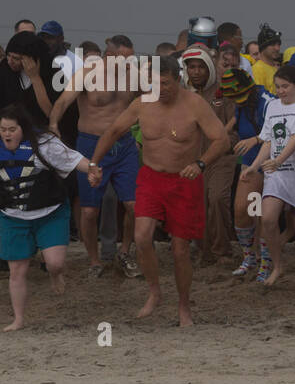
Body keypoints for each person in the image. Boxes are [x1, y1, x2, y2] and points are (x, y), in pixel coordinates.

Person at [90, 56, 230, 326]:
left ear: (178, 80)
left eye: (165, 83)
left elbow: (221, 139)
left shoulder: (195, 104)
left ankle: (184, 305)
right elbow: (113, 131)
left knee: (180, 249)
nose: (160, 88)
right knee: (142, 237)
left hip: (184, 181)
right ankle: (155, 291)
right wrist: (95, 163)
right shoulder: (142, 103)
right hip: (152, 178)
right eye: (154, 83)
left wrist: (201, 164)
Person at [0, 104, 94, 331]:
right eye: (3, 129)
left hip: (49, 212)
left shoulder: (44, 145)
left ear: (23, 128)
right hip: (13, 216)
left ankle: (56, 276)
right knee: (17, 271)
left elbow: (72, 159)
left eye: (12, 129)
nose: (7, 134)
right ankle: (18, 319)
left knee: (54, 263)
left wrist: (92, 168)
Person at [49, 37, 141, 278]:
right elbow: (62, 102)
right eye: (125, 58)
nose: (129, 62)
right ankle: (94, 260)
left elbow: (152, 101)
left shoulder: (133, 75)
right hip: (92, 144)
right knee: (90, 211)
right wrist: (53, 123)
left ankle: (124, 252)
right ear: (109, 57)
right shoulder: (87, 74)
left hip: (124, 144)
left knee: (134, 205)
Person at [240, 65, 295, 288]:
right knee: (267, 219)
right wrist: (254, 166)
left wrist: (278, 161)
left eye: (285, 86)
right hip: (275, 176)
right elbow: (268, 140)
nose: (281, 91)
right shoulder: (273, 106)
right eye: (277, 87)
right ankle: (277, 266)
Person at [183, 44, 237, 264]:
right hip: (196, 156)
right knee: (199, 203)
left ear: (209, 68)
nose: (196, 71)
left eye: (200, 67)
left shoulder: (224, 88)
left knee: (217, 198)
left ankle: (222, 250)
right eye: (191, 67)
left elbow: (235, 119)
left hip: (223, 154)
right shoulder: (184, 94)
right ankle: (205, 251)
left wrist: (220, 137)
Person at [225, 67, 273, 278]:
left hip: (271, 162)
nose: (239, 101)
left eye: (241, 96)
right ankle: (249, 256)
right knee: (242, 209)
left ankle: (265, 261)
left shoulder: (267, 102)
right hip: (250, 160)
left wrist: (255, 139)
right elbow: (236, 123)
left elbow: (278, 131)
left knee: (262, 213)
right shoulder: (240, 104)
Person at [0, 31, 58, 137]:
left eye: (16, 58)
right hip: (8, 132)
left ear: (33, 58)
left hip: (40, 133)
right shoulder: (5, 68)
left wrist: (35, 78)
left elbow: (51, 113)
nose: (10, 61)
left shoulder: (53, 73)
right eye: (8, 56)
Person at [251, 23, 283, 90]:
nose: (277, 48)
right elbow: (260, 97)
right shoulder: (257, 70)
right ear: (263, 47)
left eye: (279, 44)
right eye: (272, 45)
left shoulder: (276, 69)